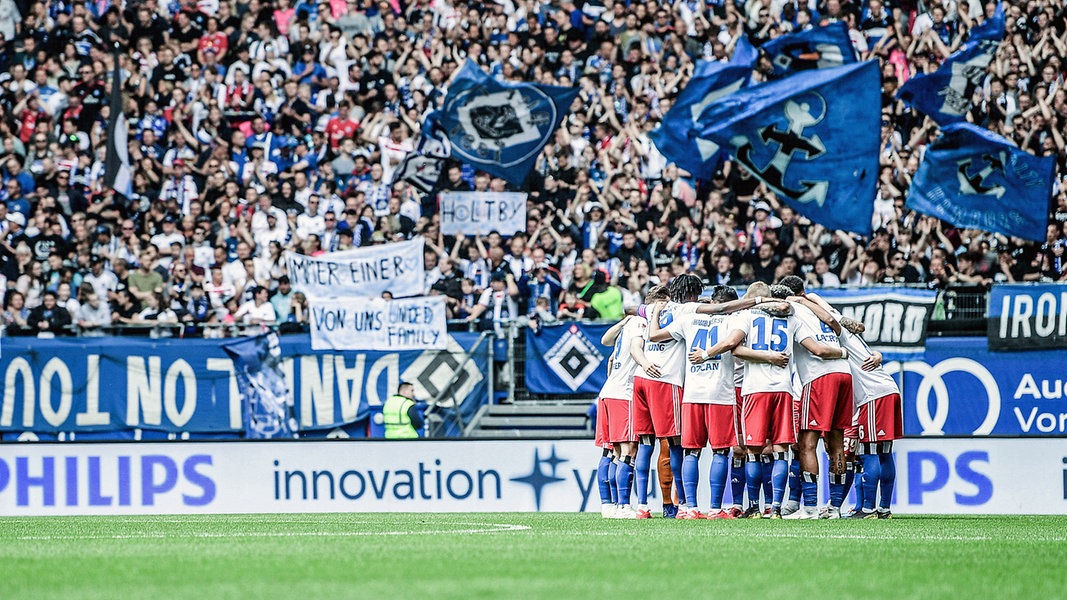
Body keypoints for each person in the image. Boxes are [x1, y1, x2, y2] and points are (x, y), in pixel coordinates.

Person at [699, 282, 848, 518]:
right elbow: (815, 346)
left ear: (751, 298)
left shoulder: (746, 315)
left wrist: (706, 354)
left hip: (755, 390)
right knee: (780, 450)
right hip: (784, 389)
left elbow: (734, 348)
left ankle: (755, 507)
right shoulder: (791, 317)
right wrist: (841, 351)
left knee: (752, 451)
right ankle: (776, 507)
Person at [670, 286, 788, 519]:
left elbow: (656, 335)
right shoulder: (736, 319)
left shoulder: (689, 317)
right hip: (724, 393)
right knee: (724, 451)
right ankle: (717, 508)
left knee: (692, 452)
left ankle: (689, 508)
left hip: (692, 393)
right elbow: (733, 345)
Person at [776, 276, 854, 519]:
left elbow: (817, 350)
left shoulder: (792, 312)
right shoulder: (818, 308)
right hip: (844, 374)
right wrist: (842, 351)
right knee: (836, 443)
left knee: (807, 444)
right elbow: (834, 322)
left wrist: (839, 352)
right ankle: (835, 509)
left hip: (820, 376)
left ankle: (809, 507)